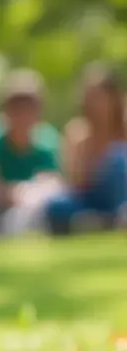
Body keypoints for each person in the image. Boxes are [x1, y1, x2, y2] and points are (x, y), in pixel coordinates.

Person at [0, 70, 63, 237]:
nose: (22, 115)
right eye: (16, 108)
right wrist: (14, 193)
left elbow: (52, 182)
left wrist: (29, 193)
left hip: (29, 208)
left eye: (29, 108)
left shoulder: (47, 142)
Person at [44, 66, 127, 235]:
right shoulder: (77, 132)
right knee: (57, 205)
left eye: (99, 97)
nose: (94, 104)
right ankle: (104, 221)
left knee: (118, 159)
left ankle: (112, 218)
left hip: (121, 196)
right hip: (90, 197)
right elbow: (76, 182)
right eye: (90, 97)